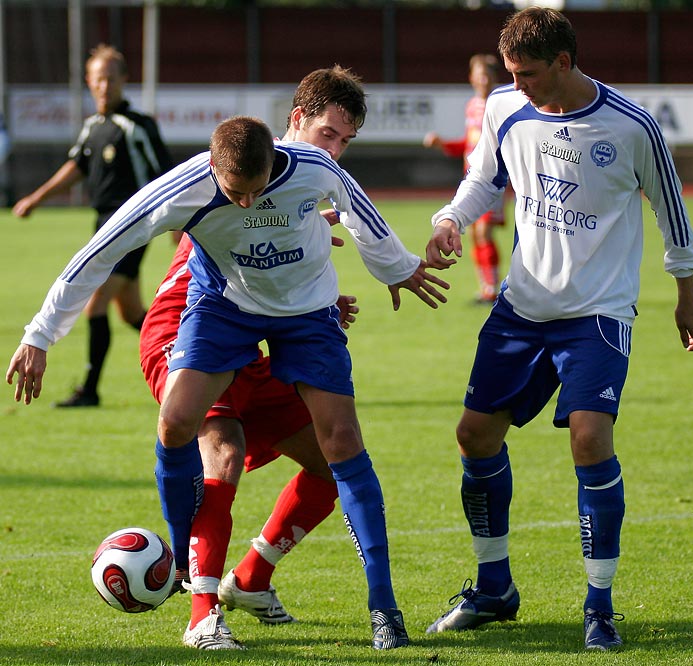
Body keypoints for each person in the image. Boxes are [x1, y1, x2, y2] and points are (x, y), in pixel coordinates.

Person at [7, 115, 450, 650]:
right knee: (178, 423)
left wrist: (395, 266)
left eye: (258, 191)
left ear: (275, 162)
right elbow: (99, 251)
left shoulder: (312, 168)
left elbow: (361, 212)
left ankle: (383, 608)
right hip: (223, 313)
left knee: (341, 445)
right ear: (214, 168)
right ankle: (191, 585)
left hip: (304, 315)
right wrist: (39, 335)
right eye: (235, 193)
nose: (246, 204)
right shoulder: (182, 187)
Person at [424, 7, 693, 652]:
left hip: (598, 313)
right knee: (474, 434)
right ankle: (494, 588)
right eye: (510, 73)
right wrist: (448, 221)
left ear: (565, 63)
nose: (516, 85)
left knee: (589, 440)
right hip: (522, 309)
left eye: (527, 74)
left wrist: (687, 293)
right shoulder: (504, 108)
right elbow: (484, 181)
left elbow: (673, 212)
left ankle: (599, 605)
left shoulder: (632, 127)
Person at [138, 65, 374, 650]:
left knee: (328, 462)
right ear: (295, 123)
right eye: (327, 136)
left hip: (253, 338)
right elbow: (214, 243)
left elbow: (276, 258)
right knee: (223, 452)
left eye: (345, 142)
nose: (335, 152)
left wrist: (310, 295)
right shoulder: (234, 173)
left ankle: (250, 578)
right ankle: (201, 617)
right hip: (190, 330)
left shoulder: (298, 186)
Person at [11, 43, 172, 407]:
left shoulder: (137, 127)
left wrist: (178, 225)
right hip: (102, 226)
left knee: (94, 304)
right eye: (98, 80)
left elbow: (166, 176)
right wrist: (36, 198)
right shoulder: (93, 127)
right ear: (88, 81)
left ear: (124, 81)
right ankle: (187, 359)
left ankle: (90, 390)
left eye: (111, 79)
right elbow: (76, 168)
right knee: (132, 313)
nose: (104, 87)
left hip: (133, 226)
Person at [424, 54, 506, 304]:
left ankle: (493, 288)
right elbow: (468, 145)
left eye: (487, 75)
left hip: (492, 180)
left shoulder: (498, 105)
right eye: (478, 74)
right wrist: (443, 144)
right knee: (474, 235)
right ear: (471, 77)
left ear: (494, 78)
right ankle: (486, 287)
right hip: (471, 179)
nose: (482, 79)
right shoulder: (472, 106)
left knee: (483, 232)